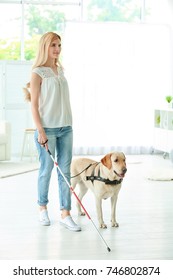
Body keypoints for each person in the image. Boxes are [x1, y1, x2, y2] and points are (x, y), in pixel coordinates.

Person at [24, 32, 81, 232]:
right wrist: (40, 131)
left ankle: (66, 213)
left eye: (59, 45)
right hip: (47, 130)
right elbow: (34, 105)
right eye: (53, 45)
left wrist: (69, 124)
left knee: (65, 172)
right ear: (45, 47)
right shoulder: (38, 72)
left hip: (66, 128)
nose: (57, 49)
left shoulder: (60, 70)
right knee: (46, 170)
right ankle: (42, 208)